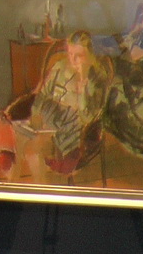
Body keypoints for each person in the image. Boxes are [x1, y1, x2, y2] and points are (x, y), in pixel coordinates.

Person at [28, 30, 108, 177]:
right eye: (70, 54)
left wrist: (83, 85)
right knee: (29, 139)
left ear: (90, 56)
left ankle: (55, 165)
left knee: (42, 148)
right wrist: (36, 113)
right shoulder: (60, 67)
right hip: (52, 120)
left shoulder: (97, 77)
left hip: (78, 130)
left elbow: (88, 118)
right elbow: (43, 95)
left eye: (79, 55)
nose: (73, 59)